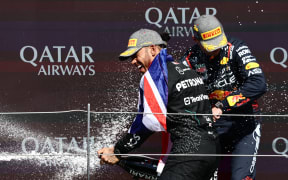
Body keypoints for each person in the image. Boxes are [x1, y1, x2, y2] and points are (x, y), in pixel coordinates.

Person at [97, 28, 220, 180]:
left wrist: (118, 151)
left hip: (188, 153)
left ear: (153, 49)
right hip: (213, 150)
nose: (133, 61)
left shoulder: (154, 77)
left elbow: (147, 122)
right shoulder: (188, 71)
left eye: (136, 55)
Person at [178, 15, 267, 180]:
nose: (216, 48)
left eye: (218, 42)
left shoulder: (237, 48)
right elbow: (179, 92)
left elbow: (259, 83)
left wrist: (222, 105)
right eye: (210, 46)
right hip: (211, 130)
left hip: (244, 128)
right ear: (195, 39)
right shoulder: (190, 58)